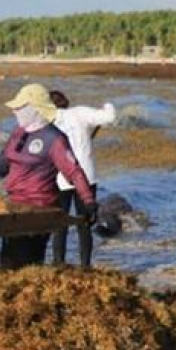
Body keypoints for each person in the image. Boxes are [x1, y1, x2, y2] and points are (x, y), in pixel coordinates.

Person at [0, 84, 97, 270]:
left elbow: (73, 171)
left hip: (39, 210)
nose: (14, 111)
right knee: (8, 262)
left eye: (20, 108)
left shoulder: (54, 139)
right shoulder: (19, 133)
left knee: (26, 264)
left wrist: (88, 201)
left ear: (35, 110)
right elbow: (0, 164)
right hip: (14, 208)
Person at [48, 89, 115, 267]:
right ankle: (85, 265)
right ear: (66, 102)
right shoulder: (80, 113)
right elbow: (109, 117)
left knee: (58, 225)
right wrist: (107, 105)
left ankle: (58, 263)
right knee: (84, 225)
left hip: (59, 178)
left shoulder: (47, 120)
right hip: (85, 176)